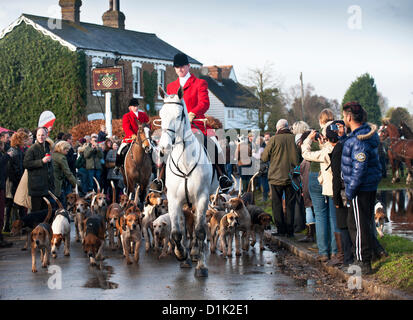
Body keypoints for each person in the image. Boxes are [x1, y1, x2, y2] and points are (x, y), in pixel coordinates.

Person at [166, 52, 233, 191]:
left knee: (212, 144)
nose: (180, 70)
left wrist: (193, 112)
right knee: (163, 147)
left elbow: (204, 103)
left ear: (188, 66)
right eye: (177, 67)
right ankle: (160, 179)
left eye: (182, 67)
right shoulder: (171, 87)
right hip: (178, 127)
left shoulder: (199, 83)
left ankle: (222, 176)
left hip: (196, 124)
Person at [341, 101, 382, 275]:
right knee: (360, 222)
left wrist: (350, 190)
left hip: (360, 188)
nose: (343, 119)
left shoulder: (359, 140)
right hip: (367, 185)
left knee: (358, 224)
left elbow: (359, 167)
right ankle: (374, 252)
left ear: (349, 117)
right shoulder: (362, 135)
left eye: (344, 116)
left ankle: (362, 260)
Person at [301, 109, 339, 262]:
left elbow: (305, 153)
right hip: (332, 180)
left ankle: (323, 251)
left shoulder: (318, 137)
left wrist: (309, 139)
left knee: (320, 215)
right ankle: (336, 251)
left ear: (320, 121)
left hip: (315, 177)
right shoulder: (336, 133)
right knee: (333, 216)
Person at [261, 119, 298, 237]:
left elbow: (264, 157)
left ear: (278, 129)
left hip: (276, 177)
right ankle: (290, 231)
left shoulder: (273, 139)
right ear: (287, 127)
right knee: (290, 204)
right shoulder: (295, 139)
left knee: (276, 204)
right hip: (292, 176)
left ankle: (281, 229)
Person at [23, 127, 54, 212]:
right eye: (39, 135)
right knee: (36, 213)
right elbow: (26, 164)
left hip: (46, 186)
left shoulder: (47, 147)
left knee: (46, 212)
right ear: (36, 136)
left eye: (43, 135)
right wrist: (41, 161)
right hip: (36, 187)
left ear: (46, 135)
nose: (41, 137)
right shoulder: (32, 149)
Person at [115, 98, 150, 173]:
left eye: (137, 106)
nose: (136, 107)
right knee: (120, 150)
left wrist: (147, 130)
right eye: (134, 106)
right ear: (130, 107)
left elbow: (148, 124)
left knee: (152, 148)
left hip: (144, 137)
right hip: (131, 138)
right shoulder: (126, 116)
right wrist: (132, 135)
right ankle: (117, 166)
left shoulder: (143, 114)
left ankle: (153, 166)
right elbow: (126, 127)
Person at [4, 130, 28, 232]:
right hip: (14, 183)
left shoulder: (14, 150)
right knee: (15, 205)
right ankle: (17, 226)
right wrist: (19, 181)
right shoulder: (16, 152)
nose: (26, 142)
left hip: (11, 182)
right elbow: (16, 169)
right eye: (25, 139)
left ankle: (8, 226)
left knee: (10, 205)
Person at [0, 141, 13, 247]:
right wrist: (6, 156)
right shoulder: (3, 156)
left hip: (2, 185)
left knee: (1, 215)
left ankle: (1, 239)